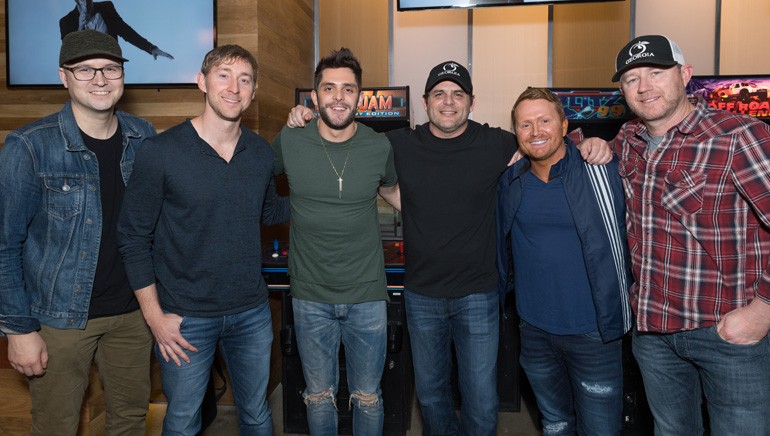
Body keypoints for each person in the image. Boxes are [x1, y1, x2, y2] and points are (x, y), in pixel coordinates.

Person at [287, 61, 612, 435]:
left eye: (458, 94)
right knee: (431, 397)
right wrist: (305, 117)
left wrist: (588, 143)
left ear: (471, 103)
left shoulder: (498, 143)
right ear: (426, 102)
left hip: (478, 293)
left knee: (480, 398)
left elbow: (546, 143)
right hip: (422, 293)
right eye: (439, 94)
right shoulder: (396, 144)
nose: (448, 102)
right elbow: (346, 146)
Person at [117, 44, 289, 435]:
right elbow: (133, 237)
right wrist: (155, 317)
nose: (234, 87)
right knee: (181, 421)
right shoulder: (160, 152)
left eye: (244, 80)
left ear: (254, 91)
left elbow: (270, 213)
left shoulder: (260, 154)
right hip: (185, 318)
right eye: (224, 75)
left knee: (258, 415)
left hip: (251, 313)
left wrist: (326, 196)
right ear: (202, 82)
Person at [610, 34, 770, 435]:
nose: (644, 86)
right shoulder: (629, 141)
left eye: (656, 72)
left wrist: (762, 311)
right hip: (652, 333)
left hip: (727, 332)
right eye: (631, 79)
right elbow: (583, 149)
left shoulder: (738, 135)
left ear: (685, 74)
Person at [0, 29, 156, 435]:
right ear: (63, 77)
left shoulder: (145, 138)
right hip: (59, 320)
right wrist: (19, 329)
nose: (100, 79)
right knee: (56, 426)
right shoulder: (29, 146)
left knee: (130, 422)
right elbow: (4, 244)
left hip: (133, 314)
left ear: (122, 74)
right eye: (84, 70)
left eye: (110, 68)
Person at [272, 47, 399, 436]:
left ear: (360, 96)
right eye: (329, 88)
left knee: (368, 396)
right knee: (318, 395)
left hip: (367, 296)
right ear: (314, 96)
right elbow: (249, 179)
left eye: (348, 89)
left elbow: (399, 199)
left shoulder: (379, 146)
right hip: (310, 295)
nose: (339, 97)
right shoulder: (290, 140)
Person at [497, 87, 633, 435]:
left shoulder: (602, 170)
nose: (536, 131)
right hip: (534, 331)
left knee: (600, 429)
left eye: (544, 121)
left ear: (564, 125)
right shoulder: (511, 181)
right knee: (554, 424)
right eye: (525, 125)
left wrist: (599, 143)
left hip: (594, 334)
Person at [61, 0, 174, 60]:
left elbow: (126, 31)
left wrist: (151, 48)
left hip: (112, 67)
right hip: (85, 73)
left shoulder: (106, 8)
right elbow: (70, 52)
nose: (86, 4)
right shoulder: (67, 22)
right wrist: (80, 28)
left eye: (88, 0)